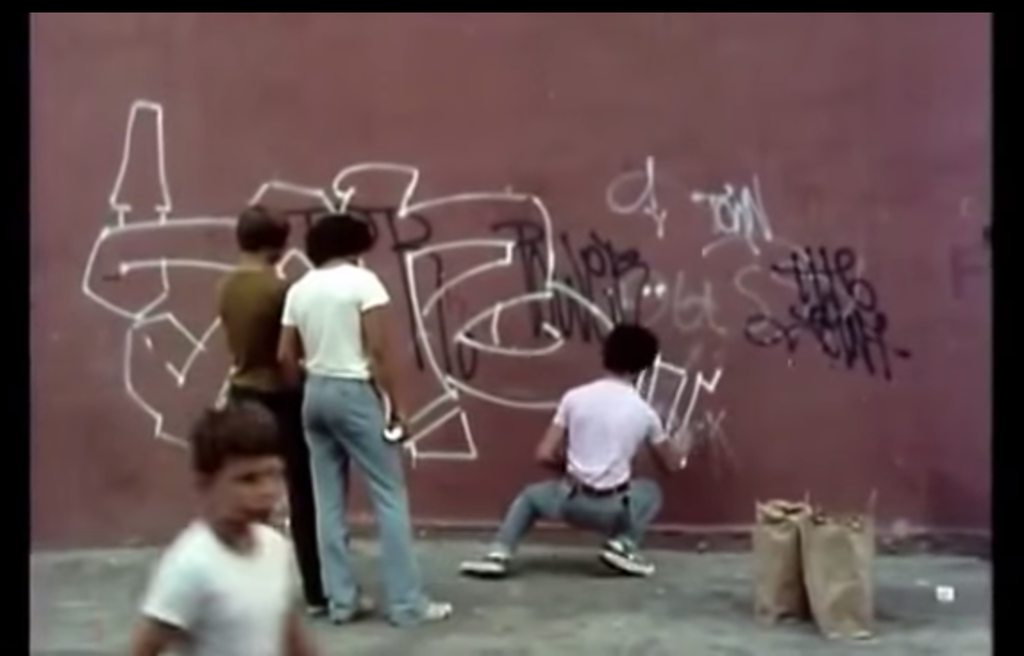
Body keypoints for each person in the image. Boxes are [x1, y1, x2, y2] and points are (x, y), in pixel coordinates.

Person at [277, 212, 452, 627]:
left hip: (315, 392)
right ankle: (407, 604)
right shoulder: (364, 283)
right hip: (353, 391)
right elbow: (378, 352)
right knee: (389, 495)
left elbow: (284, 355)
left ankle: (341, 601)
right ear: (354, 246)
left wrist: (307, 383)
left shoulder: (299, 289)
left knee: (327, 502)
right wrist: (399, 407)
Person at [458, 323, 690, 579]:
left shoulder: (574, 398)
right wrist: (682, 447)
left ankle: (498, 554)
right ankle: (622, 545)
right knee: (650, 491)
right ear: (644, 367)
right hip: (612, 509)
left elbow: (544, 454)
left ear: (605, 355)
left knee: (530, 497)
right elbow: (671, 465)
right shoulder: (645, 413)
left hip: (568, 501)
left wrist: (571, 470)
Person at [129, 403, 320, 656]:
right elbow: (144, 647)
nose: (267, 490)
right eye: (248, 479)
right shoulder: (190, 565)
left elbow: (289, 633)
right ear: (205, 484)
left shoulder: (276, 548)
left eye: (275, 475)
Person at [215, 205, 328, 614]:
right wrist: (299, 384)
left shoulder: (226, 286)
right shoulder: (280, 290)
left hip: (241, 392)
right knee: (302, 491)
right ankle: (316, 589)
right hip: (278, 395)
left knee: (245, 490)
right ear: (276, 245)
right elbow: (287, 353)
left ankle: (243, 583)